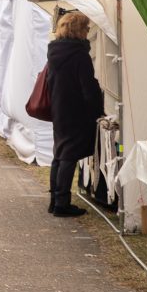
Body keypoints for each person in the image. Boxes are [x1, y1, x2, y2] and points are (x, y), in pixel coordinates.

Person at [46, 11, 104, 217]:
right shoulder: (79, 54)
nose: (88, 31)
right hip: (76, 110)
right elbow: (87, 87)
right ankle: (62, 204)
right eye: (86, 28)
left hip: (59, 107)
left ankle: (55, 200)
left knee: (59, 154)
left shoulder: (54, 52)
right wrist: (98, 110)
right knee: (68, 156)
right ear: (78, 30)